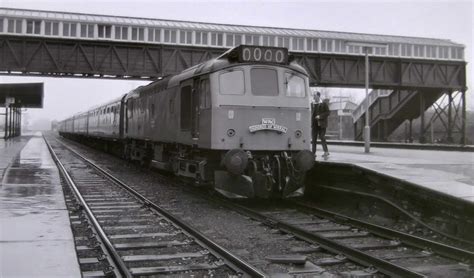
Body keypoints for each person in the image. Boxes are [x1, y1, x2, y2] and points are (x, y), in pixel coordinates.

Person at [311, 92, 330, 157]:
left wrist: (320, 116)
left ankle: (326, 152)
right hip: (314, 124)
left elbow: (328, 112)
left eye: (315, 96)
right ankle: (313, 153)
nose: (314, 97)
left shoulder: (324, 104)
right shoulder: (312, 104)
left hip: (322, 124)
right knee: (314, 139)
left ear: (318, 96)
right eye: (313, 96)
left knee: (322, 137)